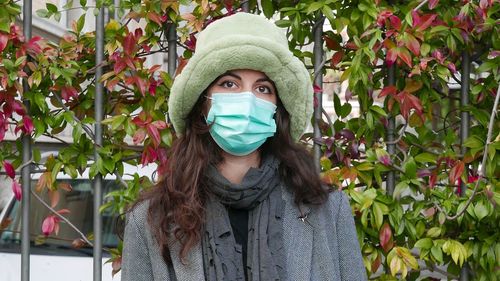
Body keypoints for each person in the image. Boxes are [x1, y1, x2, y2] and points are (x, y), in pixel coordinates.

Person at [121, 12, 366, 281]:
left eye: (263, 89)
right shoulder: (151, 220)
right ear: (203, 104)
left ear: (277, 110)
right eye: (229, 84)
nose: (247, 100)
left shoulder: (328, 210)